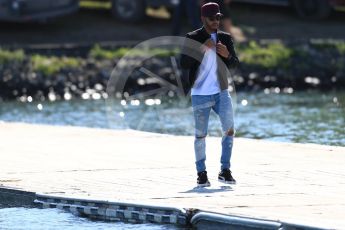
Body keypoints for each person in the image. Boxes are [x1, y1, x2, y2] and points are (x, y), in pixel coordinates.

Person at [180, 2, 239, 187]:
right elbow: (184, 63)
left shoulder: (225, 38)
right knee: (200, 135)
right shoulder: (193, 37)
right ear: (203, 19)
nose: (216, 21)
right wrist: (201, 49)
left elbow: (235, 63)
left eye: (218, 17)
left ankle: (225, 170)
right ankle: (201, 173)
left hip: (221, 92)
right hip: (200, 94)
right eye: (212, 18)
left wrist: (227, 55)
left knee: (229, 130)